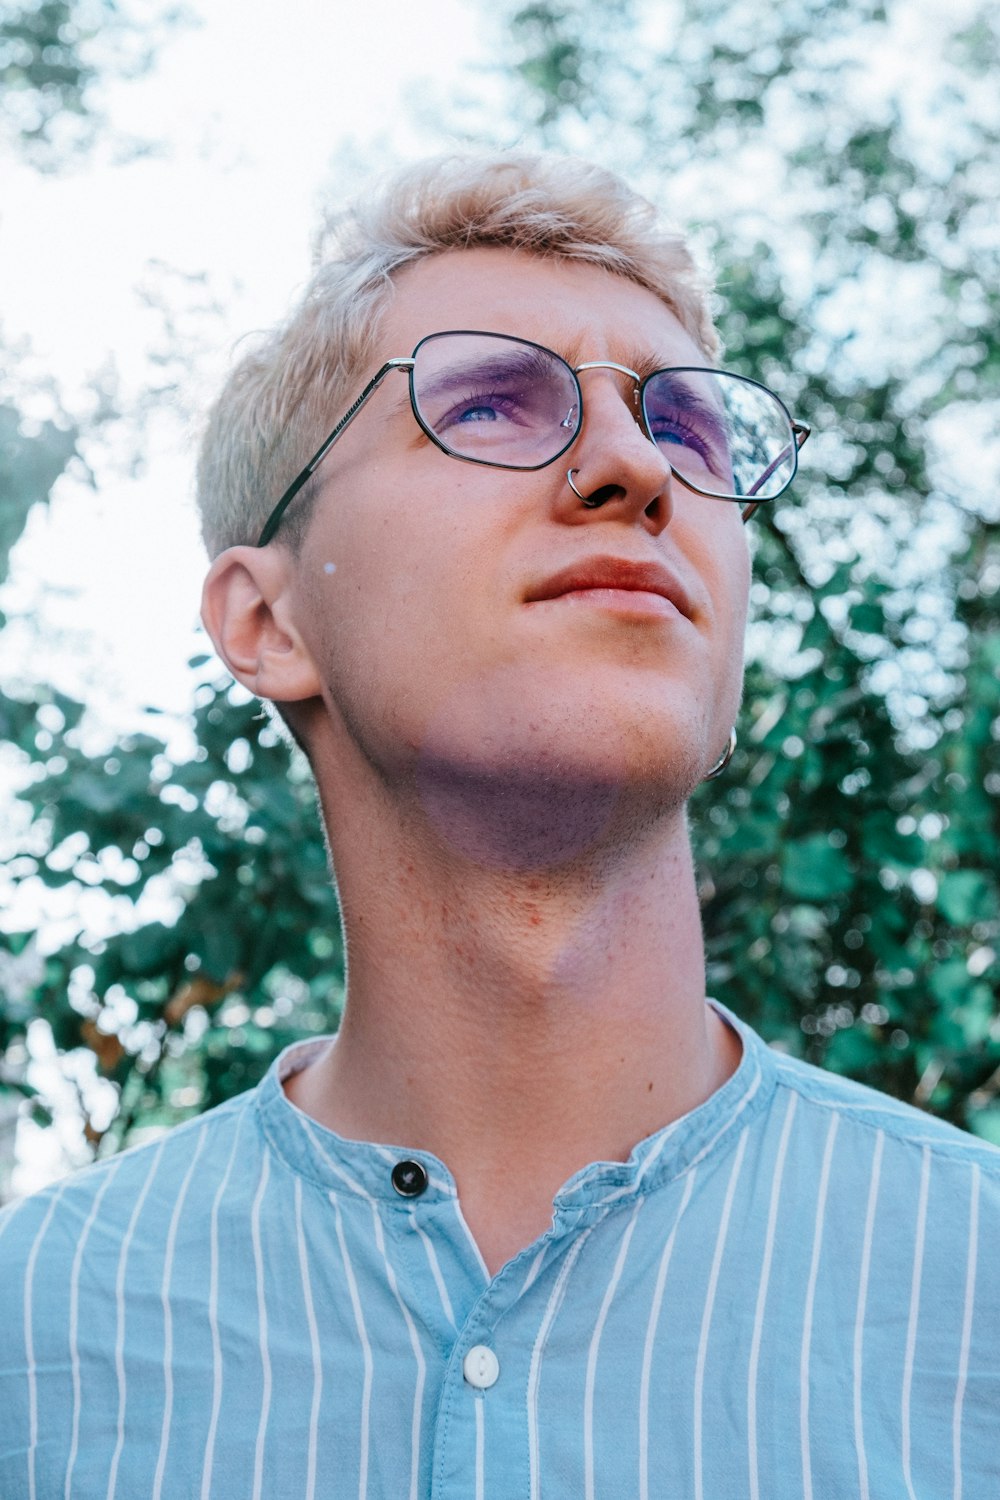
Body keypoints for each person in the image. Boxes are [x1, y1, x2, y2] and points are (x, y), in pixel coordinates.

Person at [0, 152, 997, 1500]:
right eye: (488, 403)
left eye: (694, 430)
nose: (636, 467)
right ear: (267, 620)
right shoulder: (37, 1333)